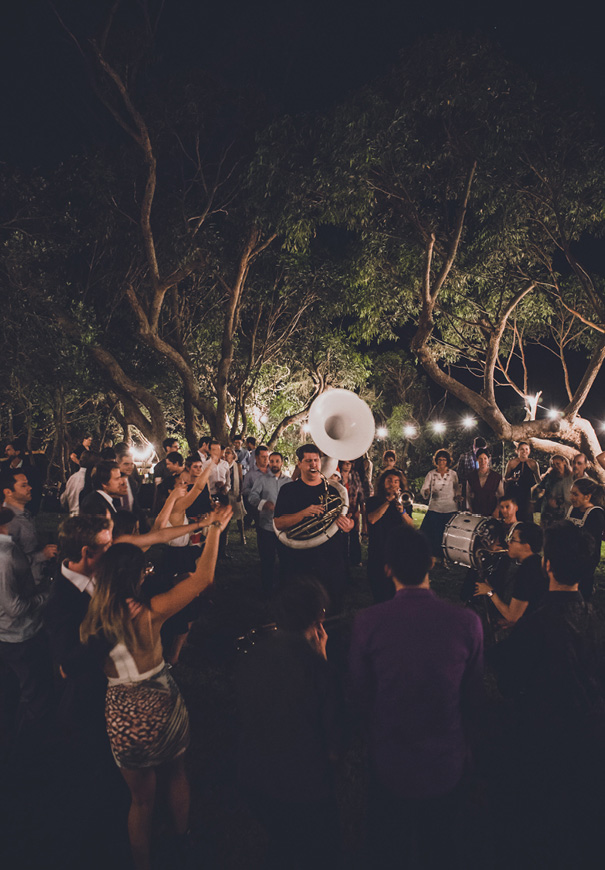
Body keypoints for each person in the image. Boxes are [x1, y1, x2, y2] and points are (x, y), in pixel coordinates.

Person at [80, 503, 232, 870]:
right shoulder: (150, 612)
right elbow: (202, 579)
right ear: (136, 577)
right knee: (177, 772)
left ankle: (142, 863)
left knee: (141, 801)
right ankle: (183, 839)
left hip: (120, 709)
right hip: (160, 699)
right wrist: (213, 531)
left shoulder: (89, 620)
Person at [348, 525, 484, 869]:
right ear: (432, 564)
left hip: (389, 761)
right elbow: (474, 698)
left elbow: (360, 694)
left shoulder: (368, 622)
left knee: (388, 848)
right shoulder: (467, 622)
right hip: (447, 762)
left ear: (387, 569)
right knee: (441, 849)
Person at [488, 522, 605, 867]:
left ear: (547, 565)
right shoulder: (595, 618)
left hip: (542, 741)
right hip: (589, 742)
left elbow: (508, 682)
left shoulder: (538, 624)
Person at [235, 578, 342, 869]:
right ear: (319, 617)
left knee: (281, 846)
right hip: (302, 789)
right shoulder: (319, 672)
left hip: (255, 780)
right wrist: (321, 659)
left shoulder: (252, 656)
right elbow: (333, 747)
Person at [274, 444, 353, 614]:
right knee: (302, 610)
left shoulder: (334, 490)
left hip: (330, 561)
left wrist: (349, 526)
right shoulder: (288, 490)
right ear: (299, 464)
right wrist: (303, 513)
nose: (313, 465)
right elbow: (279, 523)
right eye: (308, 461)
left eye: (316, 460)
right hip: (300, 562)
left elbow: (348, 520)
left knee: (332, 609)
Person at [0, 506, 54, 736]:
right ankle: (32, 742)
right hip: (19, 634)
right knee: (37, 693)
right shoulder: (7, 554)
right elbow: (14, 607)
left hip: (8, 634)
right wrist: (47, 594)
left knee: (12, 689)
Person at [474, 522, 546, 625]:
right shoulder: (535, 562)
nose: (508, 543)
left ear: (527, 546)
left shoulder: (528, 571)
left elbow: (513, 616)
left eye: (512, 540)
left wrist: (489, 592)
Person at [365, 469, 414, 603]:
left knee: (397, 590)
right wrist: (388, 501)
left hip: (398, 551)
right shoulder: (373, 501)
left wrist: (402, 512)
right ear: (383, 483)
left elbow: (411, 525)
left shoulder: (404, 502)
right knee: (380, 591)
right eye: (389, 481)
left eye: (396, 481)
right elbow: (372, 519)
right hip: (378, 550)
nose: (392, 484)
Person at [248, 451, 292, 596]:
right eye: (271, 461)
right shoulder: (262, 479)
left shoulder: (289, 481)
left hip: (285, 528)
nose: (273, 464)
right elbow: (252, 496)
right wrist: (263, 503)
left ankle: (285, 589)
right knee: (267, 560)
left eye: (276, 461)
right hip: (266, 526)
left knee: (286, 559)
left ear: (282, 463)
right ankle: (266, 589)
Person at [2, 469, 58, 582]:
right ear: (8, 492)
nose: (30, 488)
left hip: (38, 579)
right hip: (25, 585)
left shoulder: (26, 513)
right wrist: (42, 555)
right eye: (24, 485)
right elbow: (8, 563)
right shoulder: (7, 521)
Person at [565, 477, 605, 600]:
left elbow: (591, 543)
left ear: (587, 497)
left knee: (583, 586)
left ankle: (585, 606)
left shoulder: (595, 514)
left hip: (586, 559)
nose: (571, 497)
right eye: (571, 493)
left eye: (575, 494)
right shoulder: (573, 509)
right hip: (571, 555)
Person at [419, 449, 460, 558]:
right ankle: (433, 556)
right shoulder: (431, 474)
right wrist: (426, 492)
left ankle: (446, 557)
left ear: (447, 461)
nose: (442, 462)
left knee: (447, 535)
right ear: (436, 461)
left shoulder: (453, 474)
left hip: (450, 508)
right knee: (433, 534)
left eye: (444, 460)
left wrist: (458, 496)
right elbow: (424, 489)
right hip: (435, 508)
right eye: (440, 460)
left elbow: (457, 489)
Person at [504, 441, 540, 522]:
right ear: (517, 451)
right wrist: (511, 480)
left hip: (528, 494)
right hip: (514, 492)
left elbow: (538, 480)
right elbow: (505, 479)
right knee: (515, 516)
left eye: (526, 449)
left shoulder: (533, 463)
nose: (524, 452)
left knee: (527, 517)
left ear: (529, 451)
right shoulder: (512, 463)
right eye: (522, 449)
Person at [532, 453, 571, 528]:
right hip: (548, 511)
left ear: (564, 462)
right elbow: (539, 488)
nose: (555, 466)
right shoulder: (549, 477)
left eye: (558, 463)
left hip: (564, 511)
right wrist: (540, 494)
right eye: (553, 465)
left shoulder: (571, 477)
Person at [338, 459, 364, 566]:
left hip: (353, 509)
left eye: (350, 463)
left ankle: (355, 559)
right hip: (341, 511)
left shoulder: (355, 475)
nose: (348, 465)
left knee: (354, 533)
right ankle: (342, 558)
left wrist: (360, 506)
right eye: (346, 463)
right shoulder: (336, 475)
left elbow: (360, 491)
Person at [465, 449, 503, 517]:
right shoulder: (471, 476)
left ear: (488, 459)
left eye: (485, 458)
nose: (483, 461)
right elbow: (468, 495)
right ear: (477, 459)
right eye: (480, 459)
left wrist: (497, 510)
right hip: (476, 511)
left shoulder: (496, 477)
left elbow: (501, 495)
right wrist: (470, 509)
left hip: (492, 511)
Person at [456, 436, 487, 508]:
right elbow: (459, 474)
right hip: (467, 489)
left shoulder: (487, 457)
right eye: (479, 449)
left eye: (483, 449)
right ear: (474, 447)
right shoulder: (465, 457)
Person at [224, 445, 246, 544]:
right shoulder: (223, 465)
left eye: (228, 453)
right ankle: (226, 538)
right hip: (226, 493)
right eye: (225, 453)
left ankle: (242, 536)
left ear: (233, 455)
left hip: (236, 492)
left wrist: (240, 493)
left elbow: (241, 480)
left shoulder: (238, 466)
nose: (226, 455)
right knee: (226, 518)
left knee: (239, 517)